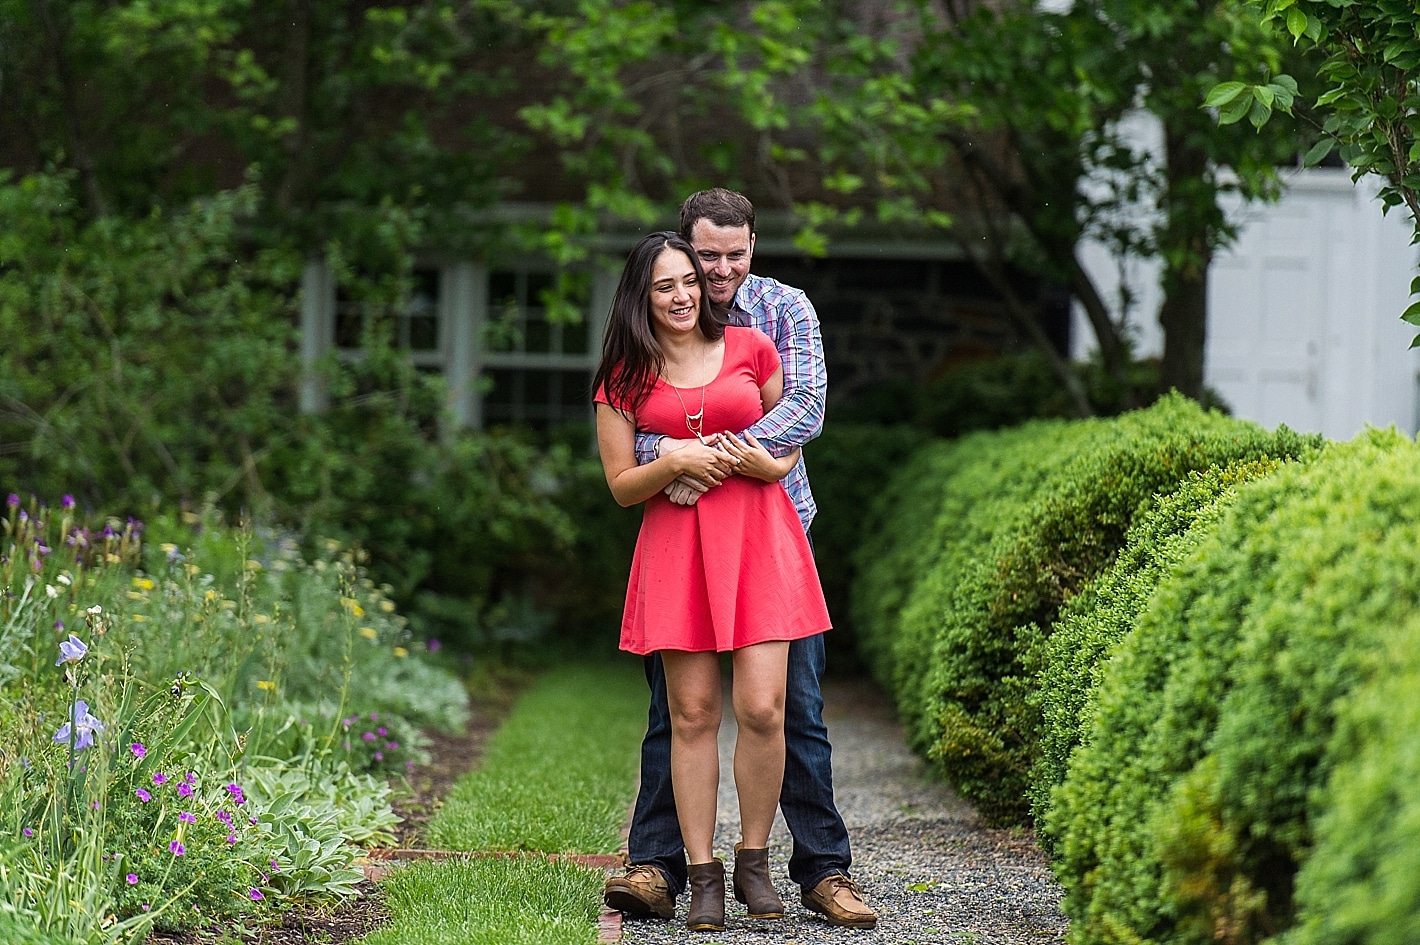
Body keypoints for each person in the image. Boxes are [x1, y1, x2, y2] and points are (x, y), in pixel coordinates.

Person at [602, 189, 878, 929]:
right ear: (686, 250)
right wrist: (679, 454)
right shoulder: (648, 340)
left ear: (753, 245)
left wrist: (714, 454)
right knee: (678, 711)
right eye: (704, 257)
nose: (717, 270)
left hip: (774, 530)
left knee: (793, 707)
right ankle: (662, 866)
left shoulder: (783, 312)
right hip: (682, 542)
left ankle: (822, 869)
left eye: (733, 254)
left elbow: (803, 412)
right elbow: (637, 440)